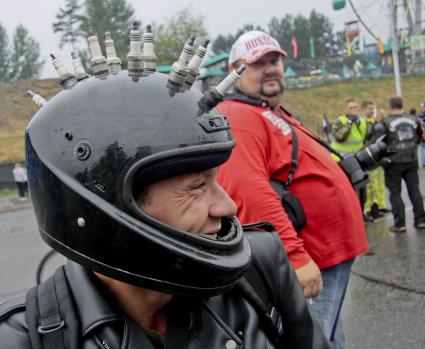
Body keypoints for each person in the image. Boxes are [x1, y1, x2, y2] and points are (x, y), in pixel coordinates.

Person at [0, 50, 331, 348]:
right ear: (106, 209)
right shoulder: (22, 339)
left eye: (215, 180)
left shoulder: (260, 266)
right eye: (195, 187)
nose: (228, 207)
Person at [216, 30, 368, 349]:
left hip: (329, 252)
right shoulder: (238, 114)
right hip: (313, 253)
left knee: (330, 335)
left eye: (275, 61)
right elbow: (247, 192)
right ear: (234, 73)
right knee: (314, 340)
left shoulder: (264, 110)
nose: (270, 68)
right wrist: (295, 258)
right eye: (258, 63)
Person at [382, 96, 425, 232]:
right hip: (411, 159)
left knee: (395, 192)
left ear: (390, 106)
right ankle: (420, 220)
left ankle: (399, 223)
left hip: (393, 161)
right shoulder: (414, 119)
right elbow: (419, 136)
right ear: (402, 105)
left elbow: (379, 142)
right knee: (414, 190)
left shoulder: (385, 122)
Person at [331, 98, 369, 218]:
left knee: (362, 187)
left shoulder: (362, 121)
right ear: (345, 109)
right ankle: (350, 214)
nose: (353, 110)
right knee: (348, 189)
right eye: (350, 108)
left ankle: (361, 213)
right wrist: (349, 124)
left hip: (358, 159)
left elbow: (365, 137)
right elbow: (339, 137)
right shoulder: (340, 121)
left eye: (355, 107)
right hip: (343, 160)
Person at [361, 100, 388, 218]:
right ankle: (370, 208)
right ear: (364, 110)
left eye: (373, 108)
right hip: (369, 158)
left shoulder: (377, 123)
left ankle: (381, 206)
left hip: (378, 157)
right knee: (371, 185)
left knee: (380, 184)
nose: (372, 111)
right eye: (370, 109)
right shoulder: (363, 124)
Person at [417, 102, 425, 167]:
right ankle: (423, 162)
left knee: (422, 148)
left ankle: (423, 162)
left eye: (423, 107)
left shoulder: (418, 115)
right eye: (422, 107)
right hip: (422, 134)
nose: (422, 108)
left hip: (422, 133)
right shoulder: (418, 115)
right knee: (422, 148)